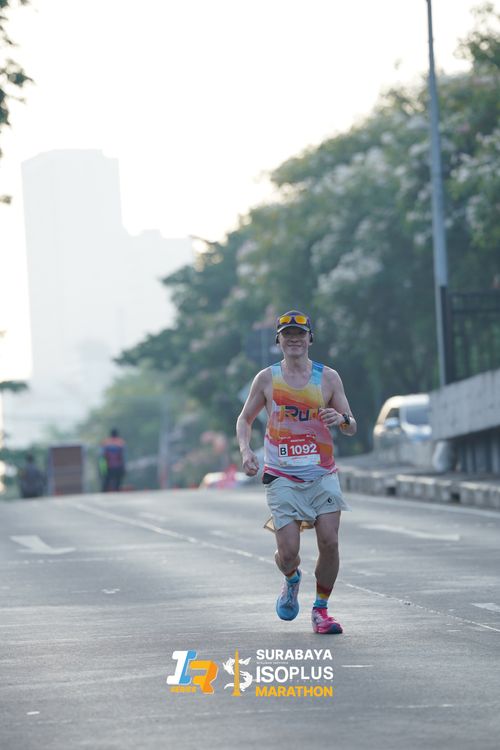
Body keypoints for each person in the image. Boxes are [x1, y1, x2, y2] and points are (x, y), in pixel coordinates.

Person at [236, 310, 357, 634]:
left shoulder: (328, 378)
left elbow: (351, 425)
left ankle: (321, 610)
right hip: (282, 476)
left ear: (310, 339)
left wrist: (341, 419)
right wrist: (246, 451)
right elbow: (245, 419)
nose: (294, 339)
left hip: (321, 474)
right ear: (278, 341)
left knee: (329, 542)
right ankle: (291, 579)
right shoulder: (267, 379)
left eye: (299, 334)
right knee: (289, 553)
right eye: (287, 334)